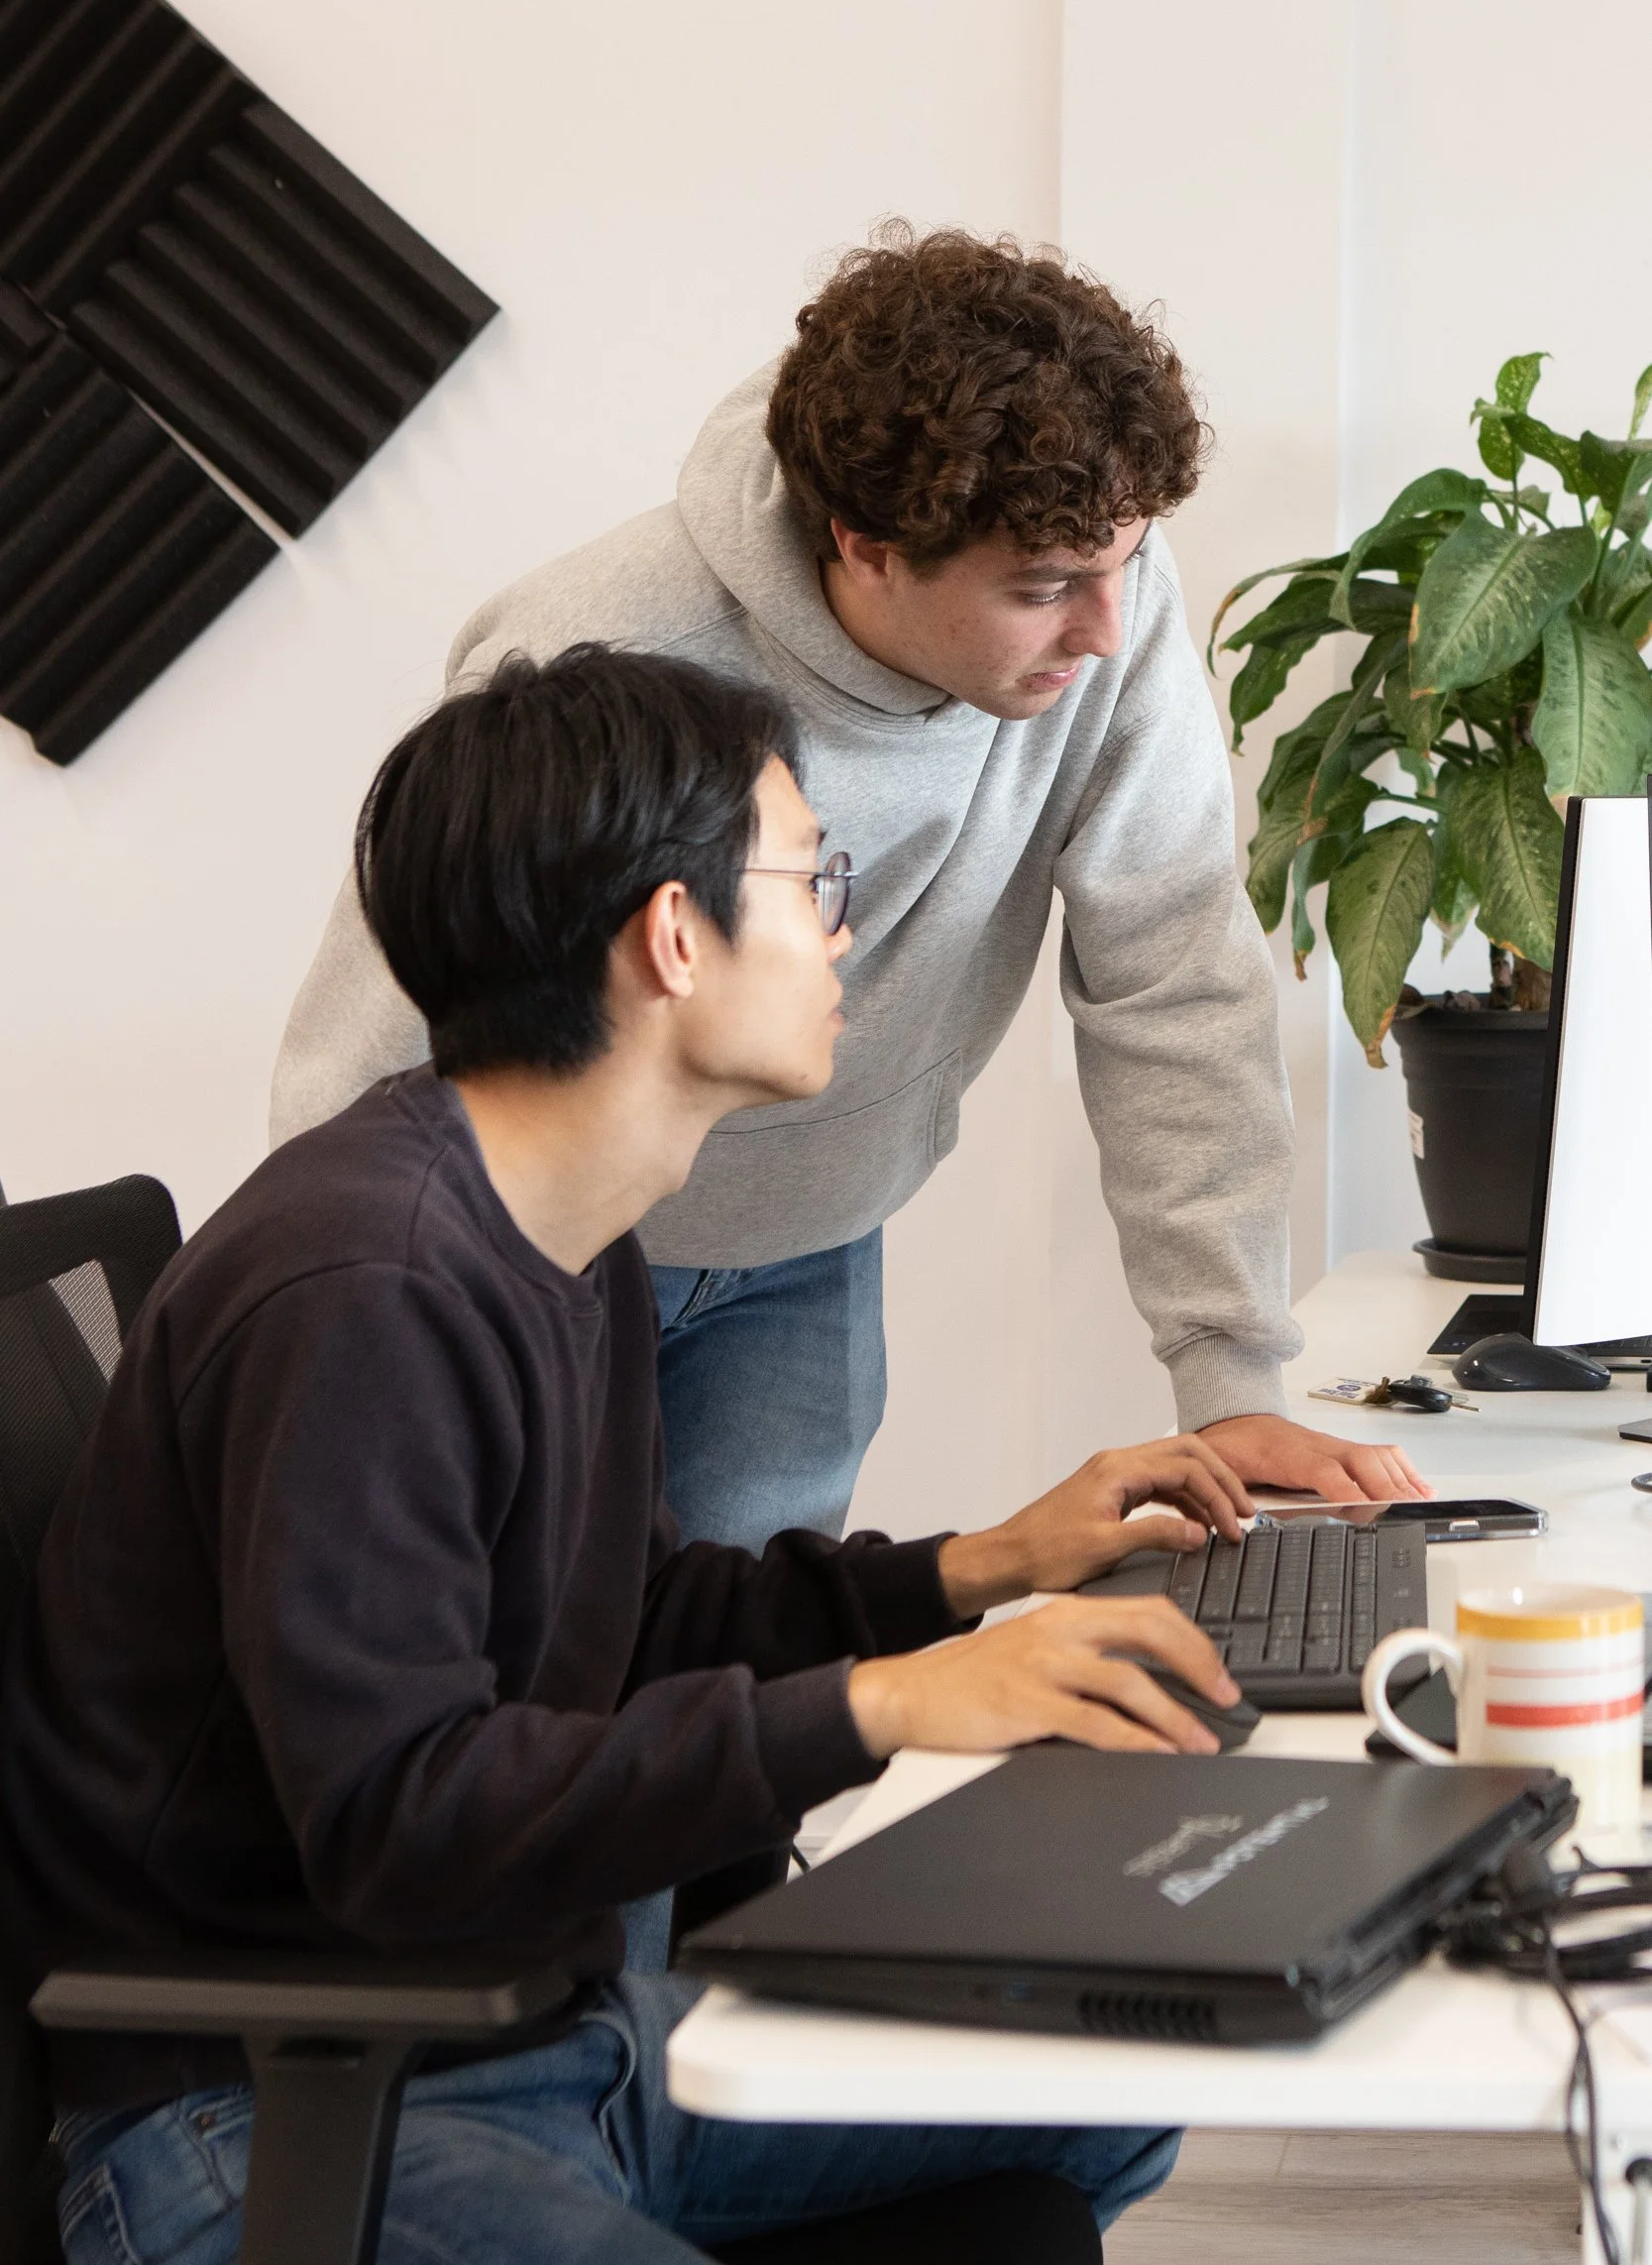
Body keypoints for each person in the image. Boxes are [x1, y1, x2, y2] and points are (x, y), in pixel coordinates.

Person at [2, 646, 1262, 2264]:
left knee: (1114, 2073)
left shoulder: (564, 1223)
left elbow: (634, 1622)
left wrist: (981, 1570)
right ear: (675, 935)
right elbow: (397, 1816)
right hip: (265, 2113)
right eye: (812, 881)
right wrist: (879, 1706)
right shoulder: (365, 1290)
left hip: (532, 2042)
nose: (842, 934)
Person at [273, 227, 1426, 1560]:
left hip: (814, 1238)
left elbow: (1173, 970)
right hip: (545, 1255)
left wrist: (1231, 1383)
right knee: (525, 1656)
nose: (1107, 629)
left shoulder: (1102, 597)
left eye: (1127, 562)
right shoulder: (608, 648)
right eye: (1044, 588)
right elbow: (385, 1036)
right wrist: (361, 1340)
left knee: (754, 1658)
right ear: (864, 544)